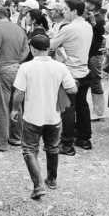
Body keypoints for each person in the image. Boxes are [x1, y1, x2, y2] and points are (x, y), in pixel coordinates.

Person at [11, 35, 77, 200]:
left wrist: (14, 110)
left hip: (32, 116)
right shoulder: (60, 67)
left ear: (32, 49)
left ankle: (38, 185)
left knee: (29, 149)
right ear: (48, 48)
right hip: (53, 116)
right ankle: (52, 180)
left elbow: (19, 92)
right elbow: (73, 90)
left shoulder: (25, 67)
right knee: (53, 147)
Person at [50, 0, 93, 155]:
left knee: (68, 108)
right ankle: (84, 138)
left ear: (74, 11)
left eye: (66, 10)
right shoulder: (87, 25)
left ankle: (67, 144)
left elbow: (51, 45)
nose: (64, 12)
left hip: (71, 73)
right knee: (82, 105)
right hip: (84, 70)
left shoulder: (69, 28)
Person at [0, 8, 29, 151]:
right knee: (16, 103)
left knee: (1, 106)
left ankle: (0, 142)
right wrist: (16, 61)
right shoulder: (19, 29)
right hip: (16, 68)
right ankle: (16, 137)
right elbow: (27, 50)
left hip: (1, 69)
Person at [85, 0, 106, 121]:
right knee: (91, 81)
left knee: (95, 81)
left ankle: (99, 112)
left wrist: (93, 22)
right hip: (89, 53)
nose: (86, 4)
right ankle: (96, 111)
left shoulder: (99, 18)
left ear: (94, 5)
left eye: (89, 3)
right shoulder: (90, 16)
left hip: (95, 54)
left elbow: (99, 33)